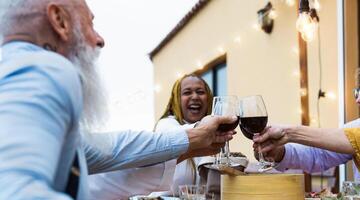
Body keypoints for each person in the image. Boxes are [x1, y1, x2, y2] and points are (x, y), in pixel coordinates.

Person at [0, 1, 237, 199]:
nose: (99, 39)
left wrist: (192, 139)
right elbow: (14, 190)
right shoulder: (41, 68)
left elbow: (110, 150)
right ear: (59, 21)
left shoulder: (16, 69)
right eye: (90, 23)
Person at [88, 74, 214, 199]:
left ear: (208, 98)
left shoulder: (213, 134)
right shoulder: (166, 125)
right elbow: (175, 137)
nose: (195, 97)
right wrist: (204, 130)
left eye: (200, 92)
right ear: (176, 99)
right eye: (187, 92)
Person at [252, 74, 360, 180]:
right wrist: (280, 152)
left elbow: (354, 139)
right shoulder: (354, 126)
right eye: (357, 92)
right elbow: (318, 155)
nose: (357, 100)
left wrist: (288, 133)